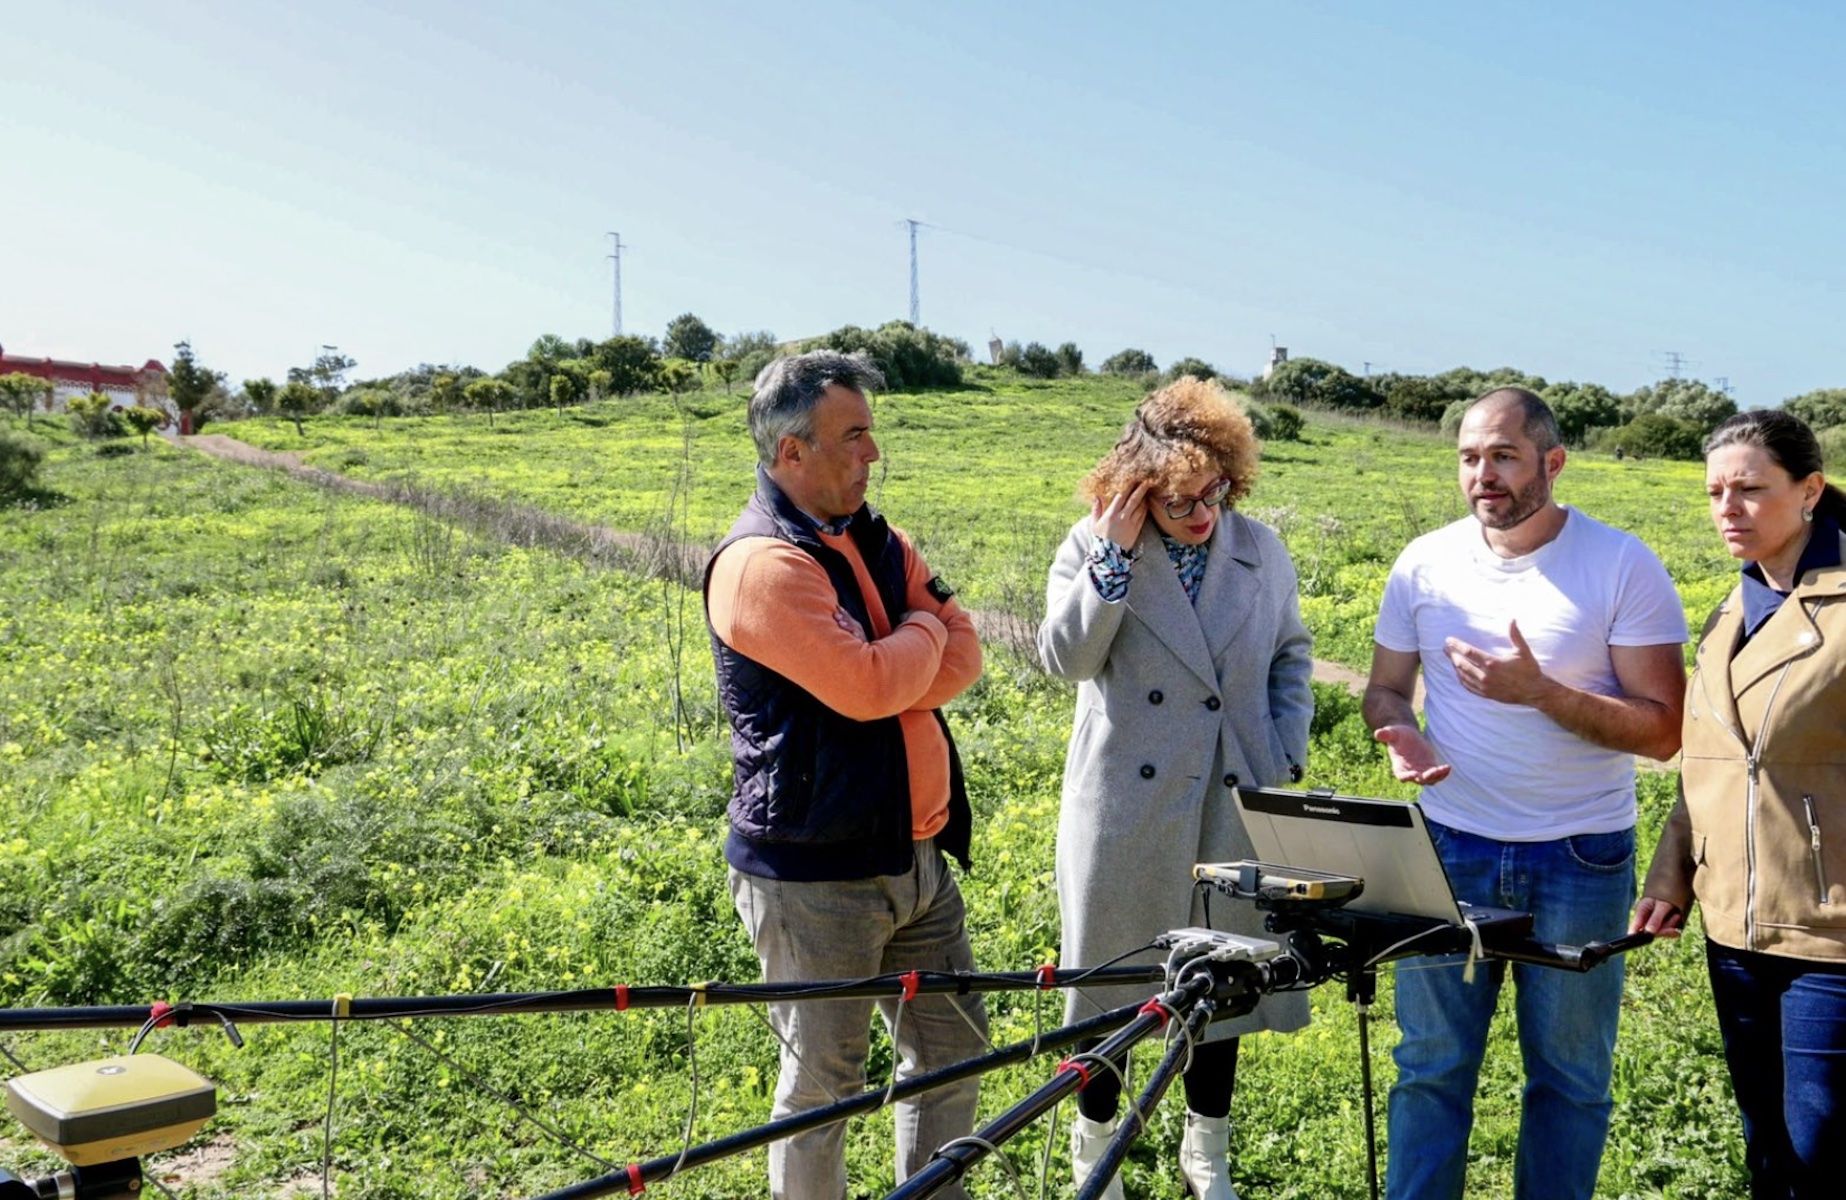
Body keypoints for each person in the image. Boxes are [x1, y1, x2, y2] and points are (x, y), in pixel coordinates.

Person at [1361, 388, 1688, 1200]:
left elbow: (1662, 731)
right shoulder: (1424, 562)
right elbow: (1385, 689)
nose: (1484, 474)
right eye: (1470, 457)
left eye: (1504, 456)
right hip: (1448, 851)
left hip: (1580, 857)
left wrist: (1540, 692)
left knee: (1570, 1078)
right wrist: (1399, 730)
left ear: (1553, 461)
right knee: (1430, 1067)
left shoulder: (1620, 564)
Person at [704, 350, 989, 1200]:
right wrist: (920, 632)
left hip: (916, 859)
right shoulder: (763, 565)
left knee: (952, 1050)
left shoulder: (876, 537)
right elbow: (869, 688)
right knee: (822, 1088)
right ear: (791, 451)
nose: (874, 453)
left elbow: (964, 657)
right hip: (816, 877)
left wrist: (903, 652)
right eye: (854, 434)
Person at [1038, 376, 1313, 1200]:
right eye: (1179, 500)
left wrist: (1282, 750)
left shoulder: (1260, 549)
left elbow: (1291, 655)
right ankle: (1096, 1145)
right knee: (1110, 985)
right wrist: (1113, 561)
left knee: (1224, 981)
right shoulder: (1092, 546)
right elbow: (1066, 660)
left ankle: (1206, 1152)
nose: (1202, 514)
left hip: (1233, 797)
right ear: (1136, 490)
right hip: (1127, 808)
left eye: (1216, 491)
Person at [1633, 409, 1846, 1199]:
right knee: (1769, 1154)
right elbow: (1710, 764)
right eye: (1716, 491)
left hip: (1832, 936)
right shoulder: (1731, 612)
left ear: (1810, 490)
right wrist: (1671, 876)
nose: (1728, 508)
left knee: (1820, 1150)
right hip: (1734, 929)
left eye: (1750, 490)